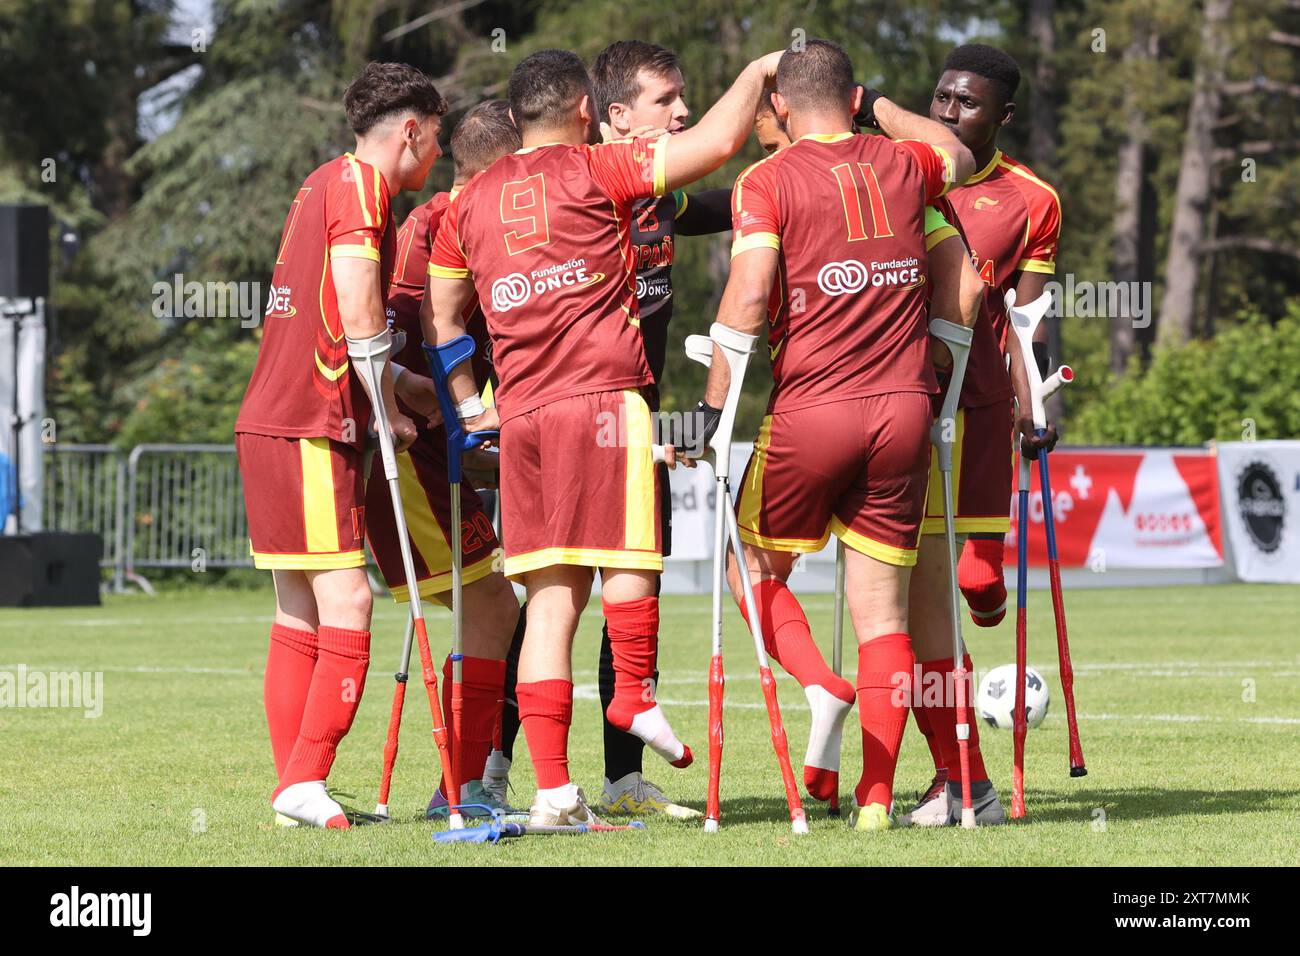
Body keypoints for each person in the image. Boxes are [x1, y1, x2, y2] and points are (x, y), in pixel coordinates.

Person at [422, 47, 785, 827]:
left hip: (518, 417)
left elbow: (444, 318)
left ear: (517, 115)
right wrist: (758, 72)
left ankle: (555, 793)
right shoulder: (601, 169)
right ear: (588, 111)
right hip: (605, 403)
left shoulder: (468, 202)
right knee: (629, 563)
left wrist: (466, 404)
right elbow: (720, 145)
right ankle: (636, 699)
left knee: (550, 602)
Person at [694, 38, 975, 832]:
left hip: (812, 411)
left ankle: (821, 685)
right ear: (853, 100)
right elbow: (954, 160)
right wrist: (881, 106)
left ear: (779, 108)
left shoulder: (768, 178)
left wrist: (715, 409)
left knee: (749, 569)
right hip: (904, 411)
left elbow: (748, 297)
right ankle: (877, 800)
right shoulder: (905, 166)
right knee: (882, 617)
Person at [234, 62, 447, 829]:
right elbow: (358, 304)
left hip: (268, 418)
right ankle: (306, 776)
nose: (436, 160)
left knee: (299, 608)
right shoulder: (365, 187)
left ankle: (295, 782)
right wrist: (387, 402)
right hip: (311, 422)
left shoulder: (320, 180)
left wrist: (405, 387)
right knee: (349, 597)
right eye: (437, 142)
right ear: (411, 130)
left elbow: (329, 311)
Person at [903, 42, 1064, 825]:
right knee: (910, 601)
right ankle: (952, 775)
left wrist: (1039, 404)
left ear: (1002, 114)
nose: (947, 114)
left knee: (968, 583)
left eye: (966, 104)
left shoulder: (1034, 197)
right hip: (901, 403)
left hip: (982, 406)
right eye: (940, 99)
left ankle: (987, 600)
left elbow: (1029, 320)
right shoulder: (897, 167)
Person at [363, 100, 525, 820]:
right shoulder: (445, 223)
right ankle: (456, 790)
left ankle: (461, 784)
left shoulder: (455, 220)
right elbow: (405, 340)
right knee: (491, 605)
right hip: (410, 459)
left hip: (433, 454)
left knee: (492, 606)